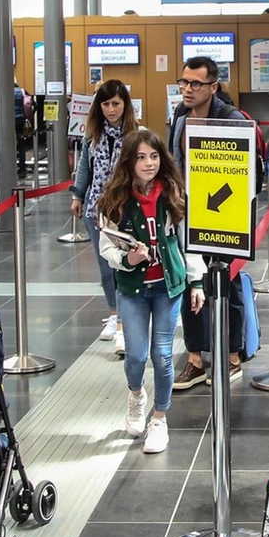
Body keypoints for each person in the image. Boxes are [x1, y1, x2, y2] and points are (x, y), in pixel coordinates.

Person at [96, 129, 205, 455]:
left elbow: (188, 242)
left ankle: (159, 418)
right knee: (136, 356)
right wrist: (127, 258)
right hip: (132, 288)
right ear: (129, 161)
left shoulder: (174, 193)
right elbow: (106, 247)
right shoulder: (113, 200)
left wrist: (195, 281)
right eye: (141, 157)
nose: (149, 163)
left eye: (154, 156)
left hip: (168, 286)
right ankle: (136, 394)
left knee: (162, 354)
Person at [170, 57, 253, 390]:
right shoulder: (179, 115)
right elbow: (175, 160)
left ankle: (232, 357)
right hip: (187, 209)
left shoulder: (230, 119)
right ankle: (195, 358)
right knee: (191, 280)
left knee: (226, 282)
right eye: (184, 82)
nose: (188, 90)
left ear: (213, 87)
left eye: (196, 84)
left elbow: (244, 172)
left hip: (224, 212)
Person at [69, 80, 141, 355]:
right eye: (106, 104)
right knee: (105, 269)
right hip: (95, 210)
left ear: (125, 105)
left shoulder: (136, 135)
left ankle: (124, 325)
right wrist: (78, 196)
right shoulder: (92, 135)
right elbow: (84, 170)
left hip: (124, 210)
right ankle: (114, 313)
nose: (111, 110)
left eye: (116, 104)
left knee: (123, 266)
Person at [14, 79, 35, 179]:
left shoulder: (4, 92)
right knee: (21, 145)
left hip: (7, 122)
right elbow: (36, 105)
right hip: (20, 121)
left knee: (8, 145)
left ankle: (8, 167)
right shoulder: (22, 92)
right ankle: (21, 169)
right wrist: (29, 116)